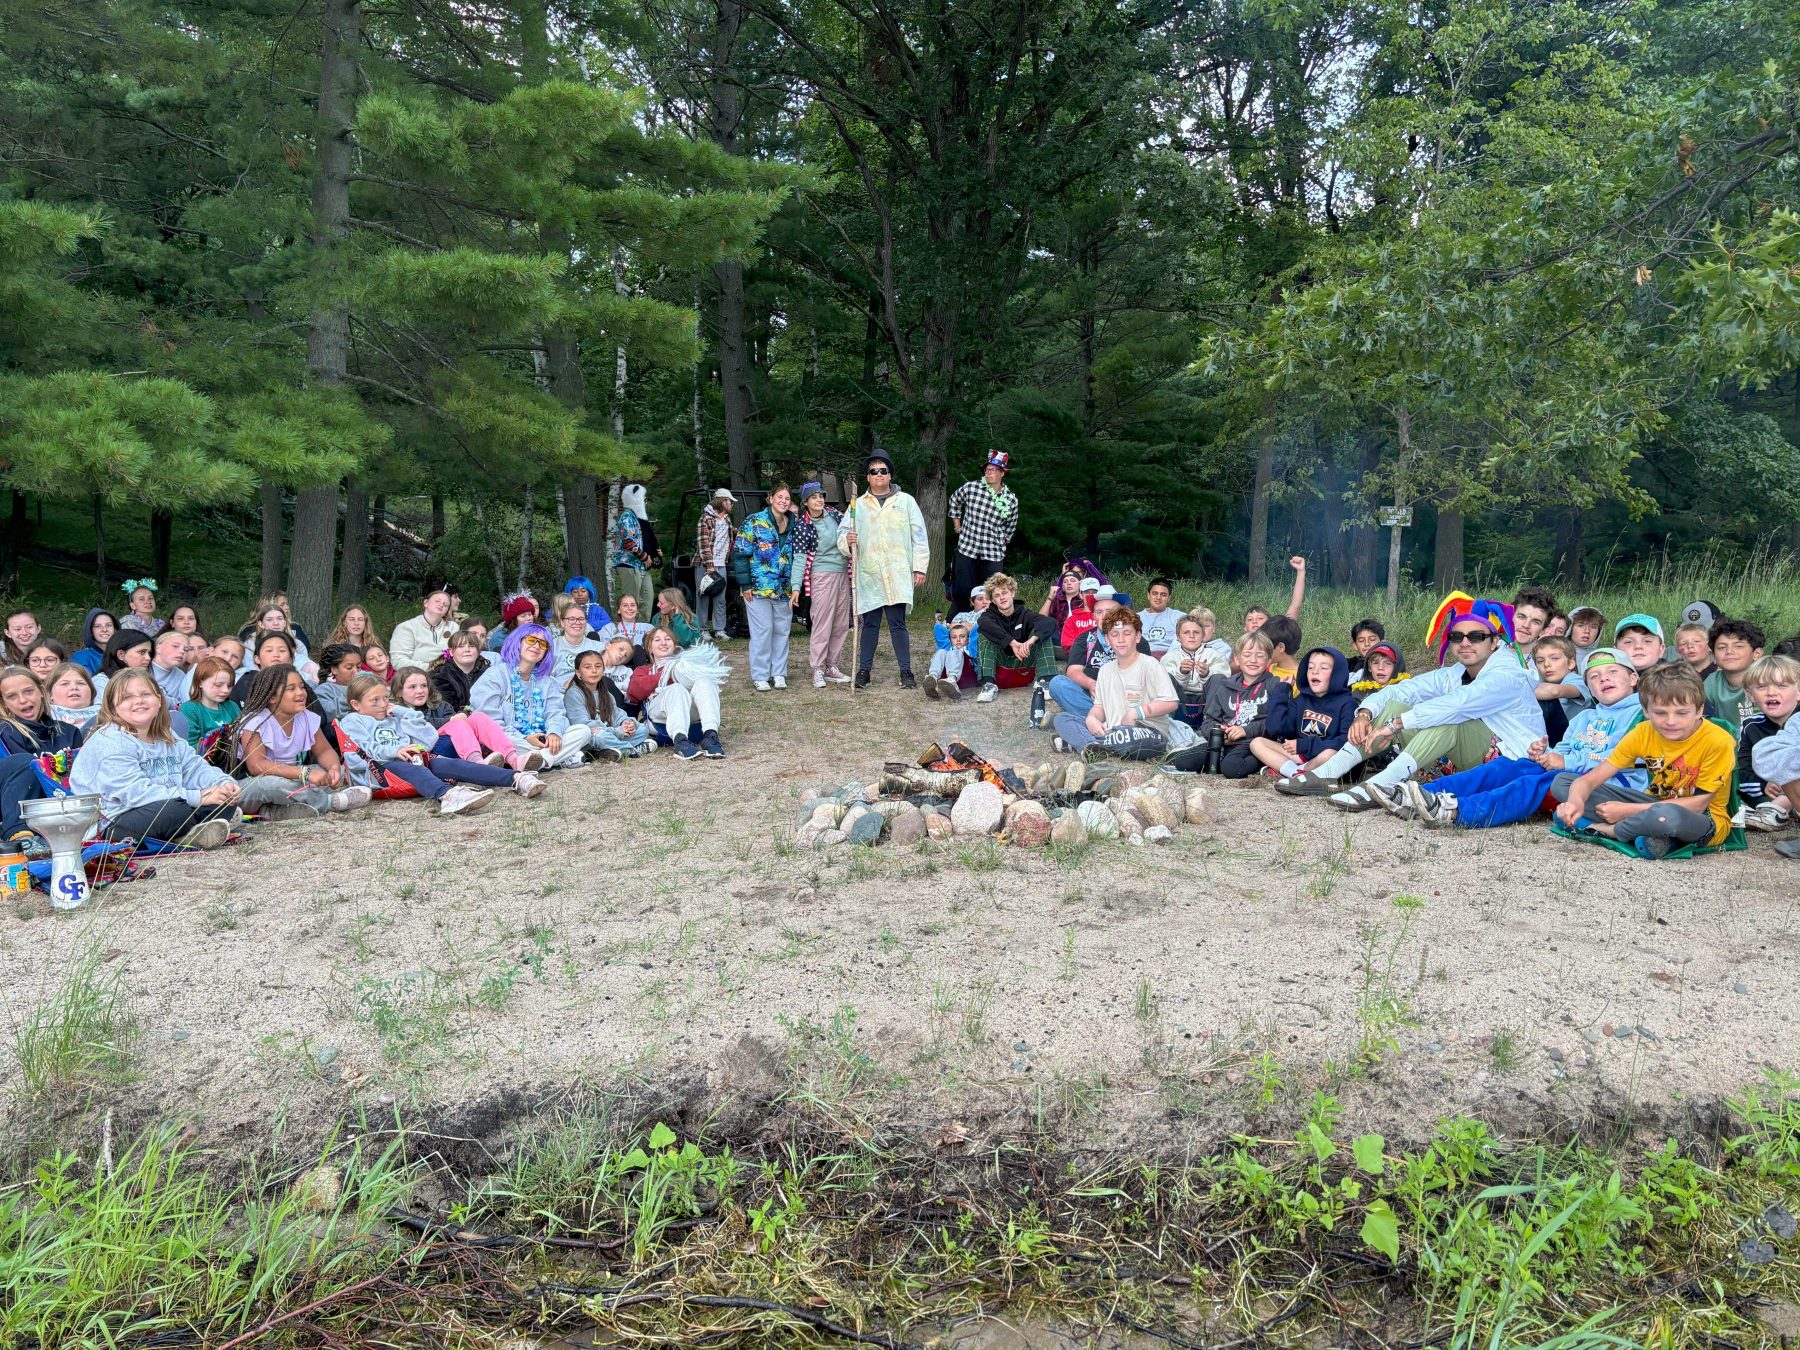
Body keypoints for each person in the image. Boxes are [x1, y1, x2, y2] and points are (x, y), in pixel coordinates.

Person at [1275, 596, 1544, 810]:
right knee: (1392, 705)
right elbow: (1403, 690)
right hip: (1466, 756)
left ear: (1494, 641)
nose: (1465, 643)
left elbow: (1459, 705)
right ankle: (1328, 773)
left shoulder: (1508, 674)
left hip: (1512, 761)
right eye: (1456, 636)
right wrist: (1365, 712)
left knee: (1448, 718)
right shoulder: (1453, 674)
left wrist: (1396, 725)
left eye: (1476, 636)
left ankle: (1380, 785)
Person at [1401, 647, 1643, 828]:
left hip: (1610, 787)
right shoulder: (1585, 717)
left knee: (1537, 781)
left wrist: (1564, 763)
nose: (1603, 678)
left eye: (1612, 671)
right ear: (1589, 686)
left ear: (1633, 679)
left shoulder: (1641, 715)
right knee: (1512, 766)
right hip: (1570, 776)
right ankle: (1422, 794)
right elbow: (1564, 752)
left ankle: (1458, 811)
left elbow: (1625, 761)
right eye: (1594, 676)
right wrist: (1546, 756)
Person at [1552, 663, 1736, 860]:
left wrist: (1625, 811)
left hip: (1702, 818)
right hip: (1654, 803)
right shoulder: (1642, 732)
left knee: (1666, 817)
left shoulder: (1718, 741)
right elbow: (1589, 780)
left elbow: (1699, 804)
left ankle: (1607, 830)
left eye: (1681, 713)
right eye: (1660, 713)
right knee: (1563, 782)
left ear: (1699, 711)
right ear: (1646, 711)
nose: (1671, 721)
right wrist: (1575, 803)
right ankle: (1654, 837)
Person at [67, 672, 239, 849]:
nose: (139, 701)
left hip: (165, 805)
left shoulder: (166, 735)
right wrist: (197, 797)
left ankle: (190, 831)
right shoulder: (111, 740)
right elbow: (134, 793)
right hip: (113, 822)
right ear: (112, 706)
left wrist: (223, 783)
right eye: (127, 697)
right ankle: (189, 833)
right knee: (175, 810)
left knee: (223, 800)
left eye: (146, 694)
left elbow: (194, 767)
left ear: (159, 701)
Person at [339, 673, 543, 814]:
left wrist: (403, 712)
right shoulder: (353, 721)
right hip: (379, 771)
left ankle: (516, 778)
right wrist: (396, 749)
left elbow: (429, 739)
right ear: (356, 704)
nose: (383, 704)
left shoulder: (394, 717)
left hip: (411, 760)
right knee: (412, 768)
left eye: (385, 698)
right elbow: (363, 752)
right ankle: (447, 796)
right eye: (374, 701)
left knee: (453, 764)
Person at [232, 665, 371, 819]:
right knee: (273, 785)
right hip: (252, 785)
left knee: (335, 771)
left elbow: (324, 751)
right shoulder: (255, 722)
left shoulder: (306, 717)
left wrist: (333, 768)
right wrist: (304, 773)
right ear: (271, 697)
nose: (301, 693)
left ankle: (273, 811)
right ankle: (330, 802)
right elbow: (256, 766)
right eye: (291, 689)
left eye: (302, 687)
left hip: (293, 776)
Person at [839, 451, 929, 690]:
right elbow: (842, 534)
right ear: (868, 477)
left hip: (897, 570)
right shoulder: (857, 505)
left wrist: (919, 567)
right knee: (870, 623)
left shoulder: (906, 502)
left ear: (890, 475)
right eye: (873, 471)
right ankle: (864, 671)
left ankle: (906, 671)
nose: (879, 475)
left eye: (883, 471)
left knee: (897, 622)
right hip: (869, 572)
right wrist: (848, 539)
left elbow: (919, 536)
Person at [1049, 608, 1183, 757]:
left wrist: (1136, 713)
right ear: (1107, 639)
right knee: (1063, 719)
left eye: (1127, 633)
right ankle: (1094, 746)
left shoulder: (1150, 665)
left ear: (1138, 636)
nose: (1121, 639)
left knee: (1128, 737)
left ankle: (1086, 743)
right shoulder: (1105, 670)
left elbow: (1171, 702)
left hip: (1147, 732)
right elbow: (1099, 706)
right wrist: (1092, 718)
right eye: (1114, 634)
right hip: (1114, 730)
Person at [1163, 630, 1290, 777]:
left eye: (1260, 655)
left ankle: (1265, 762)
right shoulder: (1225, 686)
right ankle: (1219, 762)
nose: (1253, 660)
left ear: (1268, 660)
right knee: (1183, 762)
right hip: (1223, 742)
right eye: (1247, 655)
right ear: (1236, 659)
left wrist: (1246, 731)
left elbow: (1278, 724)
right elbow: (1208, 721)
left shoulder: (1274, 685)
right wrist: (1218, 731)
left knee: (1232, 768)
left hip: (1253, 743)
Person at [469, 624, 590, 769]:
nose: (537, 646)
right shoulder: (494, 675)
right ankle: (555, 758)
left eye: (543, 643)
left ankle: (539, 760)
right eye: (531, 640)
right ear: (517, 642)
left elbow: (556, 713)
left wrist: (554, 733)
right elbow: (489, 722)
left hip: (541, 739)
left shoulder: (547, 682)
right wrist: (525, 738)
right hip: (510, 739)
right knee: (503, 738)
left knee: (583, 731)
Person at [1248, 646, 1358, 780]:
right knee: (1257, 743)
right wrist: (1282, 691)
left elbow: (1344, 741)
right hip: (1301, 756)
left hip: (1323, 757)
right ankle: (1295, 773)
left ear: (1337, 673)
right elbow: (1277, 729)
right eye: (1310, 667)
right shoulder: (1302, 699)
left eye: (1323, 668)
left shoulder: (1348, 703)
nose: (1315, 672)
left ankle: (1294, 772)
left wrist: (1305, 745)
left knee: (1329, 754)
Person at [393, 666, 530, 768]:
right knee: (457, 724)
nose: (420, 691)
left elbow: (457, 725)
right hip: (429, 750)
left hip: (455, 745)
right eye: (412, 687)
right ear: (399, 692)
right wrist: (452, 720)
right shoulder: (397, 713)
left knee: (478, 717)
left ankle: (514, 759)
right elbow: (419, 727)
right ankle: (477, 763)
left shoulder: (441, 706)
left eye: (424, 686)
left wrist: (461, 717)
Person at [626, 627, 726, 761]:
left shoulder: (687, 667)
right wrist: (666, 673)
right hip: (659, 719)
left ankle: (711, 736)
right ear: (650, 648)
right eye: (657, 640)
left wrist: (682, 670)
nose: (663, 643)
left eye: (668, 639)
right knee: (676, 689)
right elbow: (634, 692)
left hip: (692, 718)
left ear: (674, 645)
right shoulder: (643, 670)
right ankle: (680, 741)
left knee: (705, 682)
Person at [1046, 594, 1147, 722]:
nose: (1104, 616)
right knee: (1058, 683)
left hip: (1126, 696)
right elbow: (1073, 671)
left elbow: (1143, 674)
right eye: (1099, 612)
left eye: (1110, 611)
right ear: (1093, 616)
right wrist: (1092, 684)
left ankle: (1090, 720)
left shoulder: (1135, 639)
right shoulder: (1084, 639)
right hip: (1091, 695)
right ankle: (1103, 720)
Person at [734, 485, 797, 691]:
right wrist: (745, 584)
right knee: (763, 631)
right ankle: (760, 675)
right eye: (780, 497)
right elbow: (741, 553)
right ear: (770, 498)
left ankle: (778, 673)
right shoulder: (754, 521)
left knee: (782, 631)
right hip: (758, 587)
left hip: (783, 589)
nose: (783, 501)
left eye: (787, 498)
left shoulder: (793, 524)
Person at [790, 482, 852, 688]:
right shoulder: (803, 526)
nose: (819, 500)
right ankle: (817, 668)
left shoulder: (835, 515)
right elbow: (799, 558)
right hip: (821, 574)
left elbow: (849, 533)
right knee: (822, 622)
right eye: (814, 497)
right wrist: (796, 587)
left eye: (821, 496)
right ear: (806, 502)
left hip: (843, 572)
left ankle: (831, 666)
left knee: (841, 622)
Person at [947, 450, 1020, 614]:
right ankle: (958, 622)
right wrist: (957, 526)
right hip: (967, 548)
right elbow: (954, 501)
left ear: (1002, 473)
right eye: (987, 470)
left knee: (992, 591)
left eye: (993, 470)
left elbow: (1011, 525)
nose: (989, 473)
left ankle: (989, 626)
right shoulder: (972, 487)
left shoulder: (1011, 499)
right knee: (962, 590)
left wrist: (1002, 541)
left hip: (992, 552)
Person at [972, 572, 1058, 702]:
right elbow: (983, 624)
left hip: (1023, 661)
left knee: (1042, 631)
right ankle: (988, 685)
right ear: (993, 600)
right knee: (984, 633)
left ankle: (1044, 681)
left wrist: (1031, 640)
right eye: (997, 595)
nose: (1002, 597)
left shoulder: (1025, 613)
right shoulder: (988, 616)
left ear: (1012, 593)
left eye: (1004, 592)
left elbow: (1049, 623)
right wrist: (1012, 643)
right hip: (1000, 664)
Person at [1737, 654, 1799, 831]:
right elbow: (1743, 767)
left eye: (1782, 685)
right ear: (1750, 694)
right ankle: (1771, 812)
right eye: (1762, 687)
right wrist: (1763, 784)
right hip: (1767, 793)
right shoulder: (1750, 726)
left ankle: (1777, 811)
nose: (1771, 692)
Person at [564, 647, 653, 760]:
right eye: (587, 667)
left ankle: (610, 750)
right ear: (578, 673)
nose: (594, 670)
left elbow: (617, 714)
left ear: (603, 670)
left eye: (598, 666)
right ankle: (631, 750)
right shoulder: (573, 694)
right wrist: (618, 731)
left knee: (642, 729)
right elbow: (584, 725)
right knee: (600, 737)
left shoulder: (605, 693)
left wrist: (627, 723)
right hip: (591, 737)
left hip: (610, 733)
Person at [1163, 615, 1232, 730]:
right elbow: (1162, 683)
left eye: (1196, 632)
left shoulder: (1215, 655)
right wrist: (1181, 672)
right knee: (1166, 677)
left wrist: (1207, 674)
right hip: (1179, 698)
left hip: (1205, 699)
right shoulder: (1170, 657)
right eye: (1186, 632)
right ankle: (1167, 721)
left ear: (1203, 636)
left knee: (1218, 677)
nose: (1191, 636)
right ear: (1178, 637)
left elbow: (1225, 679)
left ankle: (1211, 724)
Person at [0, 666, 83, 758]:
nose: (22, 700)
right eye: (12, 696)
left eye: (28, 691)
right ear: (4, 703)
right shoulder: (6, 735)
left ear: (42, 691)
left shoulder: (69, 732)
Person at [1702, 618, 1766, 737]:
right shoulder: (1712, 682)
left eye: (1739, 646)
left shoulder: (1767, 681)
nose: (1729, 651)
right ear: (1713, 655)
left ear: (1757, 653)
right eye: (1721, 647)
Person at [694, 488, 737, 640]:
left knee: (720, 598)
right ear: (721, 501)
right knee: (703, 597)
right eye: (728, 501)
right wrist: (709, 565)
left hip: (721, 564)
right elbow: (703, 544)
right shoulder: (705, 519)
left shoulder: (726, 519)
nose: (731, 504)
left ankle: (719, 630)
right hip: (705, 565)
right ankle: (702, 629)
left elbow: (732, 534)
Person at [1530, 635, 1589, 745]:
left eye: (1554, 658)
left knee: (1546, 700)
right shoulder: (1542, 682)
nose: (1547, 664)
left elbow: (1554, 692)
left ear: (1571, 663)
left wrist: (1518, 693)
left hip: (1577, 739)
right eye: (1540, 661)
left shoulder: (1576, 679)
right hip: (1554, 735)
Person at [613, 482, 660, 612]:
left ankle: (643, 630)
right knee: (630, 603)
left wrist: (654, 553)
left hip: (642, 566)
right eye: (643, 499)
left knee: (647, 600)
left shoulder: (638, 518)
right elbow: (628, 541)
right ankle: (628, 630)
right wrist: (645, 557)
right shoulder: (627, 516)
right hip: (629, 565)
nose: (645, 502)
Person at [178, 656, 242, 752]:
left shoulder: (232, 706)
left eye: (229, 686)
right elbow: (188, 748)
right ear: (200, 683)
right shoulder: (189, 709)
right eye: (218, 685)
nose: (225, 690)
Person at [389, 590, 458, 670]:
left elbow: (460, 653)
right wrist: (432, 667)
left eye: (445, 604)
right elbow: (399, 661)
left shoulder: (453, 627)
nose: (441, 604)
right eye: (437, 601)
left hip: (450, 674)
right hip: (418, 676)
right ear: (425, 603)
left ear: (447, 611)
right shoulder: (406, 628)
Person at [430, 631, 492, 714]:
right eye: (461, 646)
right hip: (454, 721)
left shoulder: (489, 673)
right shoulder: (440, 676)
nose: (467, 650)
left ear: (478, 651)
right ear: (451, 652)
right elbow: (448, 709)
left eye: (472, 646)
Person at [1243, 557, 1307, 633]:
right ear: (1245, 628)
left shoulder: (1276, 637)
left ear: (1270, 624)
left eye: (1260, 618)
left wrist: (1301, 571)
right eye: (1249, 619)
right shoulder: (1242, 644)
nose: (1254, 622)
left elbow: (1295, 605)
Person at [549, 603, 605, 682]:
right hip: (558, 692)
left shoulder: (598, 647)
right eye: (571, 619)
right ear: (562, 622)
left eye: (581, 619)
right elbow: (545, 677)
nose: (577, 622)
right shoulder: (552, 647)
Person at [312, 643, 366, 721]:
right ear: (334, 670)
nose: (356, 671)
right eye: (349, 667)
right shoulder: (326, 690)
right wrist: (360, 701)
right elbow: (324, 711)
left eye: (358, 667)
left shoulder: (367, 685)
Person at [925, 621, 978, 701]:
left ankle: (952, 680)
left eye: (962, 636)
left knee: (955, 652)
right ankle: (932, 678)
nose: (958, 640)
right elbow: (937, 628)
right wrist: (950, 627)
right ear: (950, 639)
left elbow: (977, 628)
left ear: (968, 639)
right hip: (945, 677)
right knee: (941, 651)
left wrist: (969, 627)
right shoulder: (948, 647)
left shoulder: (970, 648)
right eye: (954, 637)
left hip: (965, 676)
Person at [1510, 586, 1558, 669]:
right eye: (1522, 617)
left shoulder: (1546, 665)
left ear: (1543, 630)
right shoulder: (1491, 648)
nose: (1526, 625)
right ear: (1511, 617)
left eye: (1535, 622)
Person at [46, 662, 99, 731]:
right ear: (50, 694)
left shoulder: (107, 716)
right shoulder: (41, 718)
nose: (74, 687)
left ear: (91, 691)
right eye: (64, 684)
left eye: (81, 683)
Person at [1139, 578, 1182, 656]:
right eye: (1155, 593)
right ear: (1148, 595)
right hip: (1143, 657)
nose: (1158, 597)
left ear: (1169, 598)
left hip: (1172, 658)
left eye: (1163, 595)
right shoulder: (1136, 617)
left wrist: (1168, 657)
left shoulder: (1179, 617)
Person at [149, 629, 192, 706]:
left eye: (186, 650)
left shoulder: (180, 675)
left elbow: (182, 704)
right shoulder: (143, 667)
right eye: (175, 646)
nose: (182, 651)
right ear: (158, 648)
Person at [1058, 578, 1101, 651]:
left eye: (1094, 592)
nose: (1091, 595)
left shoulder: (1107, 615)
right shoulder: (1072, 620)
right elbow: (1066, 644)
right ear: (1081, 595)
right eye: (1087, 592)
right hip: (1080, 658)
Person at [1261, 615, 1303, 689]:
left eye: (1265, 646)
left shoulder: (1299, 681)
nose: (1260, 651)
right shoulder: (1269, 667)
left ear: (1281, 647)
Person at [71, 609, 115, 674]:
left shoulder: (123, 654)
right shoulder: (80, 658)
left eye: (108, 625)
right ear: (90, 630)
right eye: (97, 626)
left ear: (115, 628)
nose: (104, 629)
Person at [1568, 606, 1605, 672]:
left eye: (1593, 627)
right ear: (1570, 628)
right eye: (1581, 625)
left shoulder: (1602, 658)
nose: (1587, 631)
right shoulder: (1558, 654)